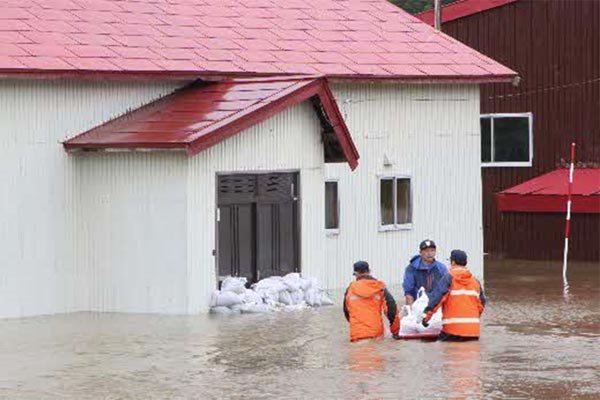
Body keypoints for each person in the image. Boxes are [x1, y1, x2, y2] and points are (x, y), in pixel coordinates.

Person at [422, 250, 487, 342]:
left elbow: (437, 299)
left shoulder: (448, 277)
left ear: (453, 262)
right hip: (473, 332)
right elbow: (481, 304)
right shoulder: (475, 282)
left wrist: (426, 318)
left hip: (452, 331)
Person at [344, 261, 400, 342]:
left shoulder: (350, 289)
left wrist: (357, 326)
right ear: (369, 271)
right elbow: (392, 311)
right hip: (376, 335)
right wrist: (395, 332)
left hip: (357, 335)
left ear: (355, 273)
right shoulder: (379, 287)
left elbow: (347, 312)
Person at [403, 239, 448, 305]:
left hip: (437, 306)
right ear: (420, 252)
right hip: (418, 305)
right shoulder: (412, 268)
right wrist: (411, 312)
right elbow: (409, 293)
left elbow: (446, 289)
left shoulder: (441, 268)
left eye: (432, 250)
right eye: (426, 251)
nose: (429, 254)